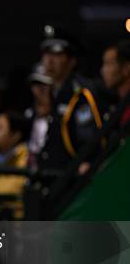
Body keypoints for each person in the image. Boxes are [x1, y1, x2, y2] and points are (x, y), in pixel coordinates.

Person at [38, 25, 104, 171]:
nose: (49, 60)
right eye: (46, 53)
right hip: (50, 176)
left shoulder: (80, 94)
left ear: (72, 60)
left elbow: (88, 144)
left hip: (70, 181)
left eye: (57, 54)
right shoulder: (48, 91)